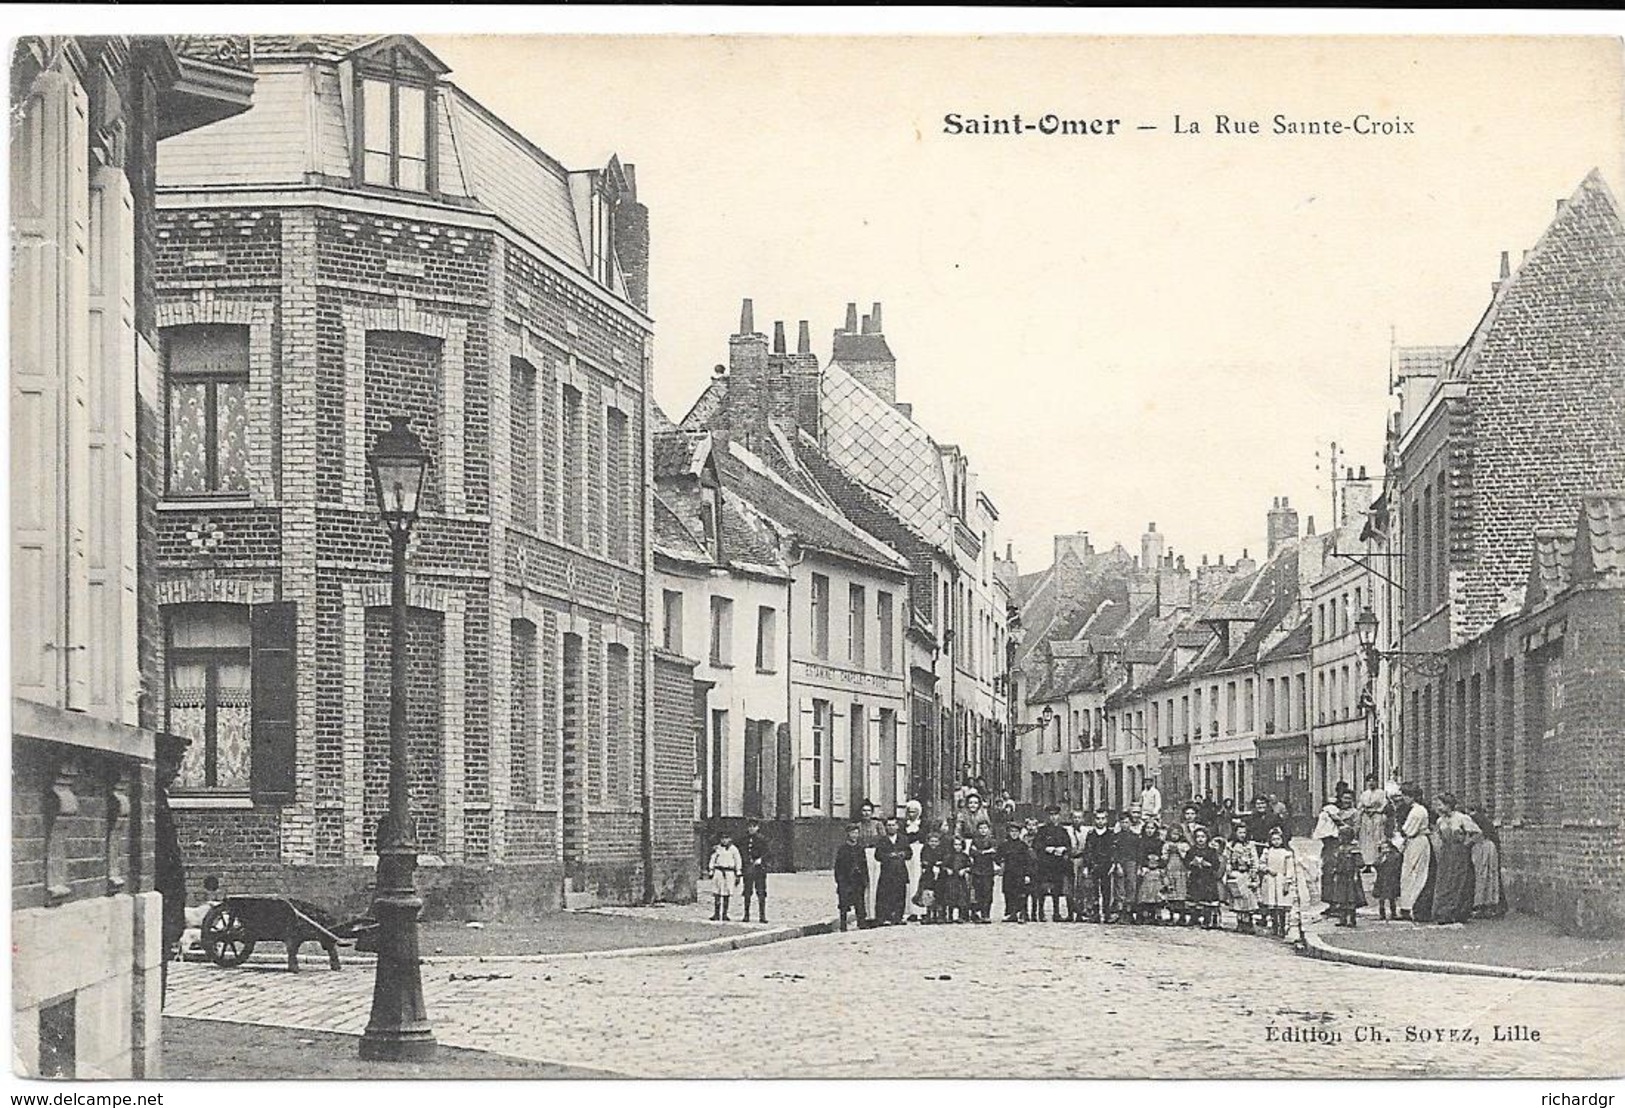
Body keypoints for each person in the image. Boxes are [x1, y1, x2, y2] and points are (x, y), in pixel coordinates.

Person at [1431, 794, 1481, 925]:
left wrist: (1466, 845)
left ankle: (1458, 912)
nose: (1439, 808)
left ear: (1448, 805)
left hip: (1459, 854)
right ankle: (1443, 913)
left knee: (1459, 881)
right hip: (1446, 854)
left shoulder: (1461, 818)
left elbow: (1477, 833)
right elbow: (1439, 835)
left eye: (1441, 804)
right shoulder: (1440, 821)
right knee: (1444, 881)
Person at [1395, 786, 1432, 922]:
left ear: (1411, 796)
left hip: (1417, 842)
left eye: (1405, 795)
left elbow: (1408, 830)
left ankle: (1412, 906)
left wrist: (1398, 840)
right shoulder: (1415, 810)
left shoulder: (1418, 811)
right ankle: (1407, 905)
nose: (1403, 799)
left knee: (1414, 873)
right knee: (1409, 873)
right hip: (1414, 842)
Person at [1033, 806, 1072, 922]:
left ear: (1059, 816)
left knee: (1057, 889)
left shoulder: (1063, 831)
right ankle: (1040, 912)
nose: (1053, 817)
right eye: (1050, 815)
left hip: (1058, 864)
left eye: (1055, 815)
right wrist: (1046, 848)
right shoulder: (1042, 831)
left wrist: (1063, 849)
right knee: (1042, 889)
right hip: (1045, 864)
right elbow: (1036, 845)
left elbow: (1069, 846)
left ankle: (1056, 913)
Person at [1257, 825, 1297, 937]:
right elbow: (1260, 865)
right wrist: (1267, 869)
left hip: (1281, 880)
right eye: (1273, 839)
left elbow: (1290, 869)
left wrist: (1288, 881)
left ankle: (1283, 926)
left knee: (1282, 906)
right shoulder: (1267, 852)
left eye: (1278, 839)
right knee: (1272, 906)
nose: (1276, 842)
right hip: (1270, 880)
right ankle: (1274, 926)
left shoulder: (1286, 853)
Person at [1468, 805, 1506, 918]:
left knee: (1485, 875)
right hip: (1482, 848)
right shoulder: (1478, 820)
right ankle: (1485, 905)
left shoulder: (1474, 820)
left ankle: (1486, 905)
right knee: (1485, 875)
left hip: (1484, 849)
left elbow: (1478, 834)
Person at [873, 817, 912, 925]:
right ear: (885, 827)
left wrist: (902, 854)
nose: (891, 827)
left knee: (900, 894)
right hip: (887, 872)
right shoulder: (882, 840)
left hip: (900, 871)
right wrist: (888, 856)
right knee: (886, 895)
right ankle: (886, 917)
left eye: (893, 825)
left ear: (897, 826)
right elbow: (877, 855)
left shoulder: (903, 839)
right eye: (889, 825)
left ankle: (898, 917)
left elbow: (909, 853)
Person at [1324, 824, 1364, 927]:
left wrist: (1355, 871)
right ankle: (1342, 919)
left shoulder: (1354, 849)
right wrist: (1335, 870)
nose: (1339, 838)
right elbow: (1336, 862)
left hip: (1351, 877)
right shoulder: (1339, 848)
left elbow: (1360, 863)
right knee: (1341, 898)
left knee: (1351, 898)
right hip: (1341, 876)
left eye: (1341, 836)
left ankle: (1352, 919)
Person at [1078, 808, 1114, 922]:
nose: (1100, 821)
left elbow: (1113, 850)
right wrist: (1086, 866)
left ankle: (1107, 913)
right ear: (1094, 820)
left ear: (1106, 820)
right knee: (1093, 890)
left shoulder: (1110, 834)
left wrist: (1113, 864)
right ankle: (1095, 913)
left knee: (1106, 890)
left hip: (1106, 866)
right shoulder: (1091, 835)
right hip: (1094, 865)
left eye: (1103, 819)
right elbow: (1087, 851)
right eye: (1098, 819)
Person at [834, 823, 870, 932]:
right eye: (852, 833)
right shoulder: (843, 849)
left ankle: (861, 922)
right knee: (844, 903)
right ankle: (843, 925)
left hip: (858, 880)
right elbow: (838, 866)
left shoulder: (860, 848)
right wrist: (840, 880)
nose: (854, 835)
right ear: (847, 834)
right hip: (846, 880)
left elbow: (864, 865)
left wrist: (865, 879)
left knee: (859, 902)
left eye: (856, 833)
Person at [1185, 825, 1223, 929]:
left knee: (1207, 899)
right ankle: (1194, 918)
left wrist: (1207, 864)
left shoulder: (1211, 851)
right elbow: (1186, 862)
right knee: (1195, 898)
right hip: (1196, 877)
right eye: (1198, 837)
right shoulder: (1192, 850)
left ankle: (1207, 919)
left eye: (1203, 837)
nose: (1200, 839)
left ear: (1207, 838)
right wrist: (1193, 863)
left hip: (1207, 878)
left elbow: (1216, 864)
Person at [996, 820, 1032, 923]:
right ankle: (1010, 913)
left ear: (1020, 832)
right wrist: (1001, 863)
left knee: (1021, 894)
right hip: (1008, 873)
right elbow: (997, 857)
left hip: (1020, 873)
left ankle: (1022, 913)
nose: (1014, 833)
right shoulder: (1004, 845)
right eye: (1012, 831)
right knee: (1008, 893)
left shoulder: (1023, 846)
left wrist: (1027, 874)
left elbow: (1028, 861)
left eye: (1016, 831)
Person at [1356, 774, 1391, 873]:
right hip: (1366, 819)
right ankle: (1367, 863)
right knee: (1366, 841)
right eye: (1369, 781)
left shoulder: (1381, 793)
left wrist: (1376, 810)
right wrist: (1363, 811)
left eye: (1373, 780)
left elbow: (1385, 805)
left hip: (1376, 818)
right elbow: (1360, 805)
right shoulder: (1364, 794)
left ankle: (1377, 861)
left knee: (1377, 838)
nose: (1371, 783)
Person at [740, 817, 772, 923]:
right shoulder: (744, 839)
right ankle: (746, 915)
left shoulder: (762, 840)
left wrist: (760, 860)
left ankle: (762, 916)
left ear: (757, 827)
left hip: (759, 869)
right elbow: (741, 851)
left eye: (753, 826)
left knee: (761, 892)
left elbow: (768, 853)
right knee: (747, 892)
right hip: (748, 869)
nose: (751, 829)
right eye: (749, 827)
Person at [707, 832, 743, 921]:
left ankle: (725, 914)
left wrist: (738, 872)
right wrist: (711, 870)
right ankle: (716, 913)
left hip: (729, 872)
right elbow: (713, 859)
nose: (724, 840)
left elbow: (738, 861)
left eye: (726, 838)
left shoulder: (734, 849)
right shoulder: (717, 849)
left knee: (726, 893)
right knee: (717, 893)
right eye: (722, 838)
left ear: (730, 839)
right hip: (719, 872)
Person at [1136, 823, 1166, 924]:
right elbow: (1139, 856)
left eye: (1152, 828)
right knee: (1143, 892)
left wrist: (1159, 865)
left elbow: (1163, 857)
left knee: (1155, 892)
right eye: (1148, 828)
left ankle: (1154, 915)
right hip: (1144, 869)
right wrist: (1143, 865)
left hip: (1156, 870)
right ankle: (1141, 915)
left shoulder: (1159, 843)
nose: (1149, 830)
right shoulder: (1140, 842)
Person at [1162, 824, 1191, 926]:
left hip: (1181, 870)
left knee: (1181, 894)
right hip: (1170, 869)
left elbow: (1187, 857)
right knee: (1171, 893)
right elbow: (1164, 857)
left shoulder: (1184, 845)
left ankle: (1182, 916)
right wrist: (1167, 852)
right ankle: (1171, 915)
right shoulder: (1166, 844)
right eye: (1172, 834)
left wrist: (1179, 850)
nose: (1174, 836)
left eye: (1177, 834)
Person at [917, 828, 947, 924]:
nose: (933, 843)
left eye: (935, 841)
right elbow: (924, 861)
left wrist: (940, 864)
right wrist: (929, 864)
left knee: (939, 893)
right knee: (928, 893)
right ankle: (929, 914)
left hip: (940, 875)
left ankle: (939, 914)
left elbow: (945, 861)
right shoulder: (925, 850)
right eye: (931, 841)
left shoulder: (942, 850)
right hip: (928, 875)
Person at [969, 826, 999, 924]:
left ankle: (986, 914)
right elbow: (972, 853)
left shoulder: (992, 841)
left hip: (988, 871)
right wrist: (986, 851)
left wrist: (981, 852)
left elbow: (994, 854)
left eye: (985, 828)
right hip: (977, 870)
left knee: (987, 892)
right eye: (980, 828)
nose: (983, 830)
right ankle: (976, 913)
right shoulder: (975, 840)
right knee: (977, 892)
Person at [941, 836, 973, 924]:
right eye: (955, 844)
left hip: (960, 880)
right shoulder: (948, 856)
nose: (957, 847)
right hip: (950, 880)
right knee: (950, 896)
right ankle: (949, 916)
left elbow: (970, 866)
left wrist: (965, 869)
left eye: (959, 845)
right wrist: (947, 869)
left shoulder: (965, 856)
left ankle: (961, 916)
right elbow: (943, 866)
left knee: (961, 897)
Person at [903, 799, 925, 921]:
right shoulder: (904, 825)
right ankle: (910, 910)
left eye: (915, 812)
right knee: (909, 880)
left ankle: (921, 910)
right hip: (909, 854)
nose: (912, 814)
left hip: (919, 853)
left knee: (919, 879)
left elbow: (924, 837)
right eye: (910, 812)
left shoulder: (923, 824)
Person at [1374, 838, 1403, 921]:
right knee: (1381, 899)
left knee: (1392, 898)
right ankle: (1382, 913)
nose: (1385, 850)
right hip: (1382, 879)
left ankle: (1393, 912)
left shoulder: (1395, 856)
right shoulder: (1380, 857)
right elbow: (1375, 864)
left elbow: (1397, 866)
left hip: (1391, 879)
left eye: (1386, 848)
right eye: (1383, 848)